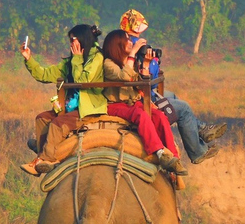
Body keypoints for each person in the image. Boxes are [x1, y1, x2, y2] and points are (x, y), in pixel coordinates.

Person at [119, 9, 227, 164]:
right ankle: (197, 152)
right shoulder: (131, 48)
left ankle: (202, 129)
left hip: (142, 91)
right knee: (183, 108)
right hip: (139, 95)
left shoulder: (122, 43)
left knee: (172, 96)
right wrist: (150, 63)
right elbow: (148, 79)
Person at [20, 24, 106, 175]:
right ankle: (43, 150)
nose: (71, 43)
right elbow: (45, 74)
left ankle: (45, 160)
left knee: (58, 124)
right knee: (41, 118)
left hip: (88, 108)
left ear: (82, 40)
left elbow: (83, 81)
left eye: (73, 40)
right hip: (70, 106)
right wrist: (29, 59)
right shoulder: (70, 61)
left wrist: (78, 59)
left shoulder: (97, 58)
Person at [102, 29, 187, 176]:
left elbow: (141, 85)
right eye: (127, 40)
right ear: (117, 44)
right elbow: (124, 77)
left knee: (159, 116)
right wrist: (133, 54)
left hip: (133, 103)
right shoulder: (108, 64)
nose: (131, 43)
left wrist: (146, 64)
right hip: (116, 105)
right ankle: (159, 152)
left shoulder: (129, 62)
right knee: (141, 115)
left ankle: (174, 158)